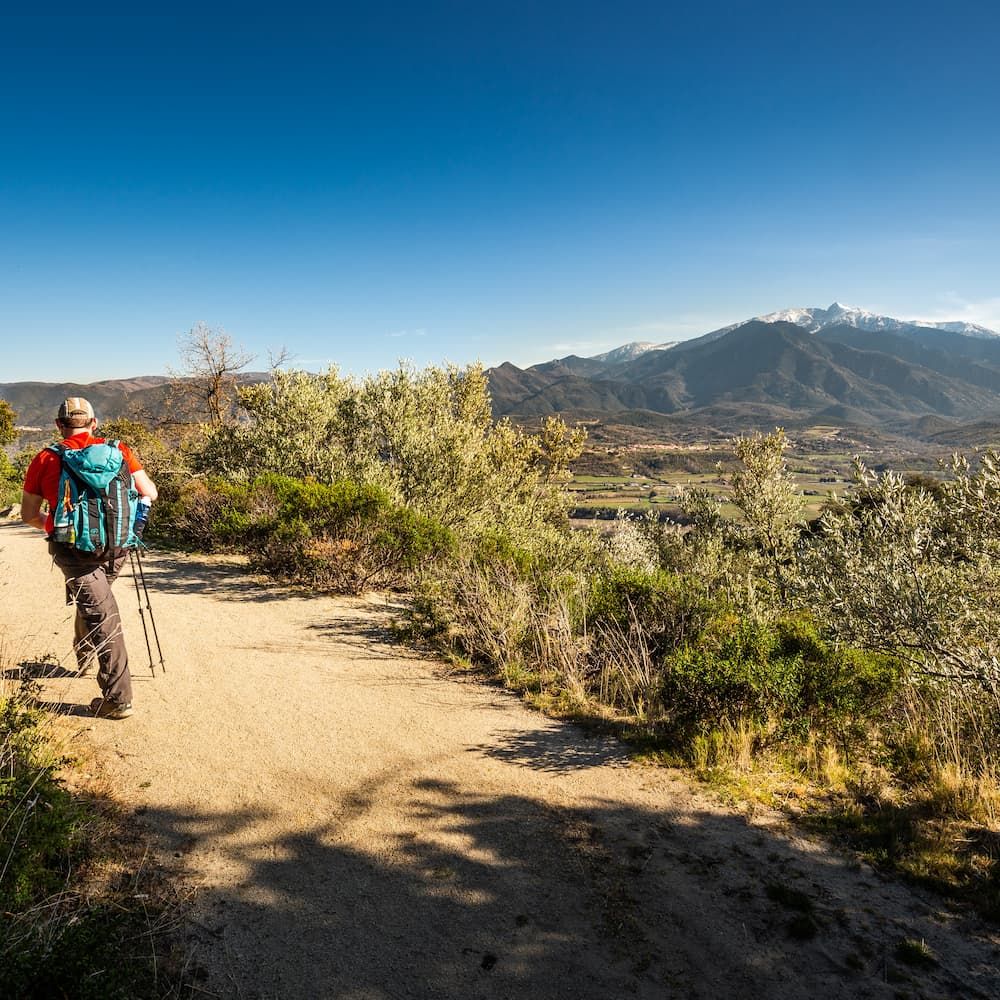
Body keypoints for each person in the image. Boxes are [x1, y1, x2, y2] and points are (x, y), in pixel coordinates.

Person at [21, 398, 158, 720]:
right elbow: (149, 492)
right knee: (98, 604)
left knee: (103, 614)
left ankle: (118, 700)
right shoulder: (119, 449)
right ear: (94, 423)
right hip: (117, 546)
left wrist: (56, 525)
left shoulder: (45, 458)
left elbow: (28, 515)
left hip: (73, 551)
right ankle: (84, 653)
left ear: (59, 425)